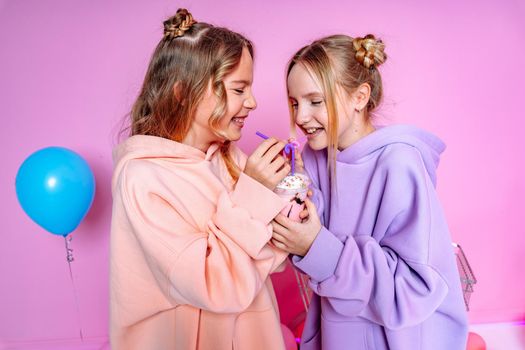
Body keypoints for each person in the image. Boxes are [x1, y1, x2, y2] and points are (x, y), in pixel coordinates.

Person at [271, 34, 469, 349]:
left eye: (315, 101)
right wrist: (289, 201)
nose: (300, 117)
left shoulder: (399, 164)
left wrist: (316, 247)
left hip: (392, 339)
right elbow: (309, 232)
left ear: (360, 97)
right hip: (337, 333)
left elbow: (415, 286)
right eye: (294, 103)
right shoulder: (314, 156)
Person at [110, 9, 291, 350]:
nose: (252, 102)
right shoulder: (143, 180)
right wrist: (254, 193)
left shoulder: (229, 158)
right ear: (183, 93)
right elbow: (215, 286)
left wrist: (289, 205)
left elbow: (271, 257)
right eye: (239, 89)